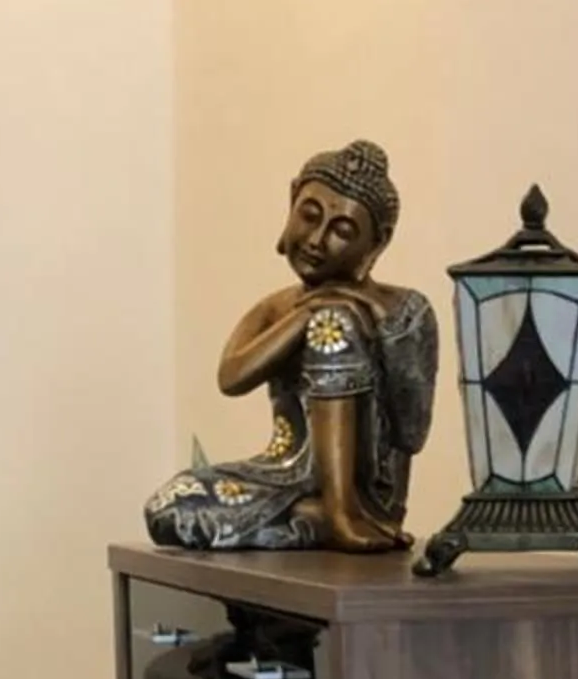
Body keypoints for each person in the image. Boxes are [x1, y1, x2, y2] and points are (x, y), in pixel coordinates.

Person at [145, 140, 438, 553]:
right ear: (292, 198)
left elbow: (411, 433)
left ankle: (339, 512)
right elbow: (230, 377)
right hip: (284, 480)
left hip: (369, 497)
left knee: (334, 324)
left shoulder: (405, 310)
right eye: (309, 215)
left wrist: (379, 331)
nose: (317, 240)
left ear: (377, 243)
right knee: (170, 507)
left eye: (342, 231)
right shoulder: (280, 306)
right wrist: (301, 317)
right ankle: (309, 521)